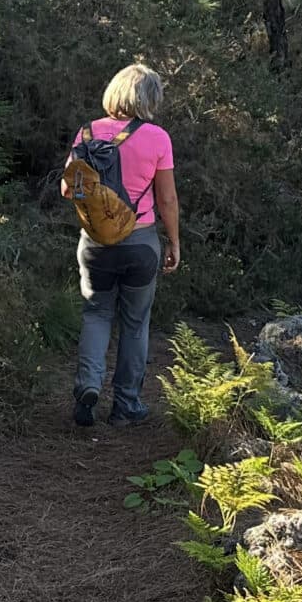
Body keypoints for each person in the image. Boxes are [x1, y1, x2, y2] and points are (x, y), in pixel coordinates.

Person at [62, 63, 180, 427]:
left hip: (95, 243)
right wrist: (174, 242)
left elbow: (67, 189)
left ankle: (88, 386)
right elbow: (168, 199)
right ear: (150, 98)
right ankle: (126, 405)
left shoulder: (86, 133)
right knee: (135, 322)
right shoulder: (158, 138)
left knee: (96, 313)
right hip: (141, 242)